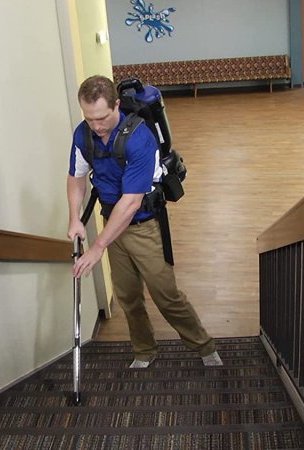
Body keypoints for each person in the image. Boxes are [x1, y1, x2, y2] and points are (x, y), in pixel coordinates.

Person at [66, 75, 221, 369]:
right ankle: (144, 350)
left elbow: (131, 202)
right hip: (112, 224)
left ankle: (204, 346)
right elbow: (76, 177)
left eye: (102, 117)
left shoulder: (139, 138)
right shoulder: (83, 134)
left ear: (115, 105)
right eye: (89, 118)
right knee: (127, 295)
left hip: (143, 225)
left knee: (166, 295)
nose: (96, 126)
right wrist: (74, 217)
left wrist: (98, 246)